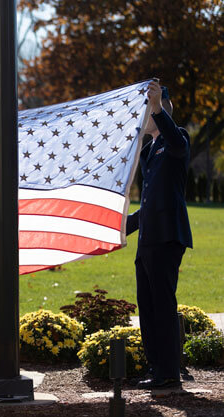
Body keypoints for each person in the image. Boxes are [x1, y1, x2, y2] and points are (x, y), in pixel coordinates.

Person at [126, 80, 193, 390]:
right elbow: (151, 204)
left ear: (162, 109)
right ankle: (157, 368)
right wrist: (120, 225)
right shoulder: (151, 150)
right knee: (148, 306)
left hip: (167, 238)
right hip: (149, 240)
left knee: (162, 305)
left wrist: (158, 107)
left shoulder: (177, 140)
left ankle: (168, 371)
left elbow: (177, 143)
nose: (145, 116)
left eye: (150, 111)